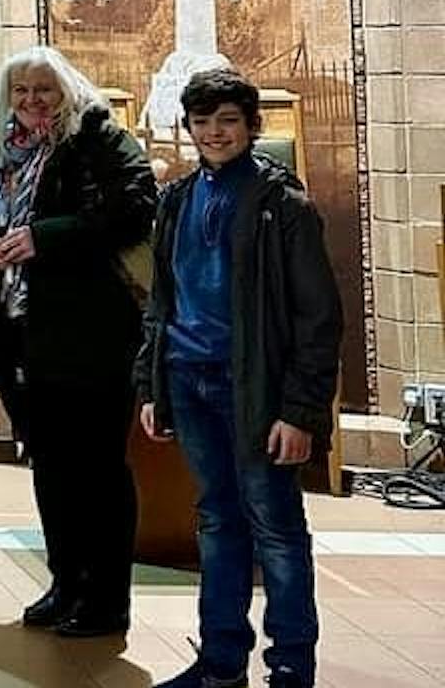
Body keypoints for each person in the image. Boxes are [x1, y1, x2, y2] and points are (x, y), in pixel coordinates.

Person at [137, 69, 340, 688]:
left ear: (252, 126)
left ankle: (290, 668)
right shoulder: (176, 199)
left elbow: (318, 317)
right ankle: (221, 663)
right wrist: (152, 385)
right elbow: (162, 301)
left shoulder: (283, 205)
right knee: (217, 522)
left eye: (227, 120)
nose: (214, 133)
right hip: (189, 378)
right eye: (202, 122)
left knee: (276, 529)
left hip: (255, 390)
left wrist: (300, 412)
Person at [0, 45, 155, 636]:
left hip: (90, 331)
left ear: (66, 90)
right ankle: (66, 582)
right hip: (19, 332)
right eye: (21, 90)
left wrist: (45, 236)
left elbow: (136, 207)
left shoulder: (99, 139)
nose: (32, 100)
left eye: (44, 89)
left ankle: (106, 598)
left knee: (98, 470)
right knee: (49, 465)